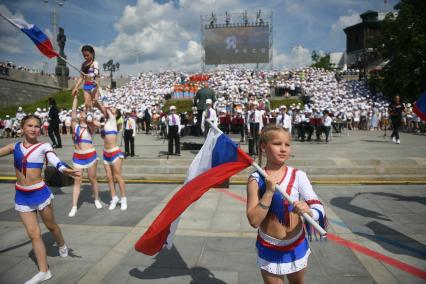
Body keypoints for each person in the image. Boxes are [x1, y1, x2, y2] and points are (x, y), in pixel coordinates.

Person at [0, 115, 79, 284]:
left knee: (50, 226)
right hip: (21, 195)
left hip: (40, 193)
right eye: (29, 125)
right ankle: (44, 271)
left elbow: (54, 159)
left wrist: (64, 169)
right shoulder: (13, 147)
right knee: (34, 234)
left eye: (37, 126)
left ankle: (61, 244)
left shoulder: (44, 146)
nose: (33, 128)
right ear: (22, 127)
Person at [246, 125, 326, 284]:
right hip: (269, 247)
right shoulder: (255, 179)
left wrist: (309, 211)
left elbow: (318, 207)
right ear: (263, 146)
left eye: (287, 145)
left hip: (296, 244)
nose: (283, 149)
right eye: (277, 144)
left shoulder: (299, 176)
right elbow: (254, 221)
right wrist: (268, 192)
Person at [68, 95, 102, 217]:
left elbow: (99, 124)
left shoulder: (90, 127)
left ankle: (97, 199)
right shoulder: (75, 126)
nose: (81, 114)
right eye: (80, 112)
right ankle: (74, 206)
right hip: (78, 156)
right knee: (77, 181)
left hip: (90, 155)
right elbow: (73, 112)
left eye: (84, 112)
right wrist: (75, 98)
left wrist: (90, 119)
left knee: (92, 178)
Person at [96, 104, 127, 211]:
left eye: (114, 109)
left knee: (118, 177)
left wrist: (98, 102)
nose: (112, 109)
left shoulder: (113, 119)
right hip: (105, 153)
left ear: (115, 114)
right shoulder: (106, 123)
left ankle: (123, 199)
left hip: (114, 153)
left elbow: (103, 108)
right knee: (109, 177)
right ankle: (114, 198)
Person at [71, 45, 100, 111]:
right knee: (87, 105)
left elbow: (96, 74)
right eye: (84, 56)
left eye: (87, 55)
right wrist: (76, 87)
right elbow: (81, 78)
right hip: (86, 86)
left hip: (94, 86)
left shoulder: (95, 63)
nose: (86, 57)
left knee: (95, 104)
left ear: (92, 53)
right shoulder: (83, 64)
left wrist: (92, 76)